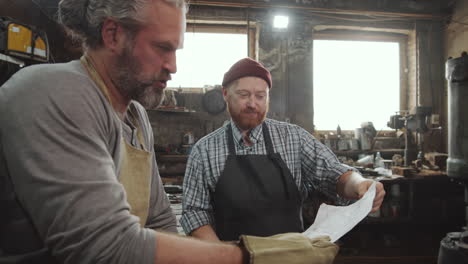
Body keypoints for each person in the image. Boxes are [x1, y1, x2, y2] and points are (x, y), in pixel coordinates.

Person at [0, 0, 341, 263]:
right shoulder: (54, 91)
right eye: (162, 48)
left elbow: (160, 220)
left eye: (176, 50)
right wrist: (250, 255)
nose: (173, 66)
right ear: (113, 34)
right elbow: (102, 247)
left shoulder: (135, 116)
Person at [181, 58, 386, 242]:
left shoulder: (294, 138)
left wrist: (360, 184)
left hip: (289, 256)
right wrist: (220, 256)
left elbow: (333, 174)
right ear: (226, 94)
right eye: (243, 95)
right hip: (231, 258)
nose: (253, 104)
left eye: (260, 96)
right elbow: (195, 212)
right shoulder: (204, 151)